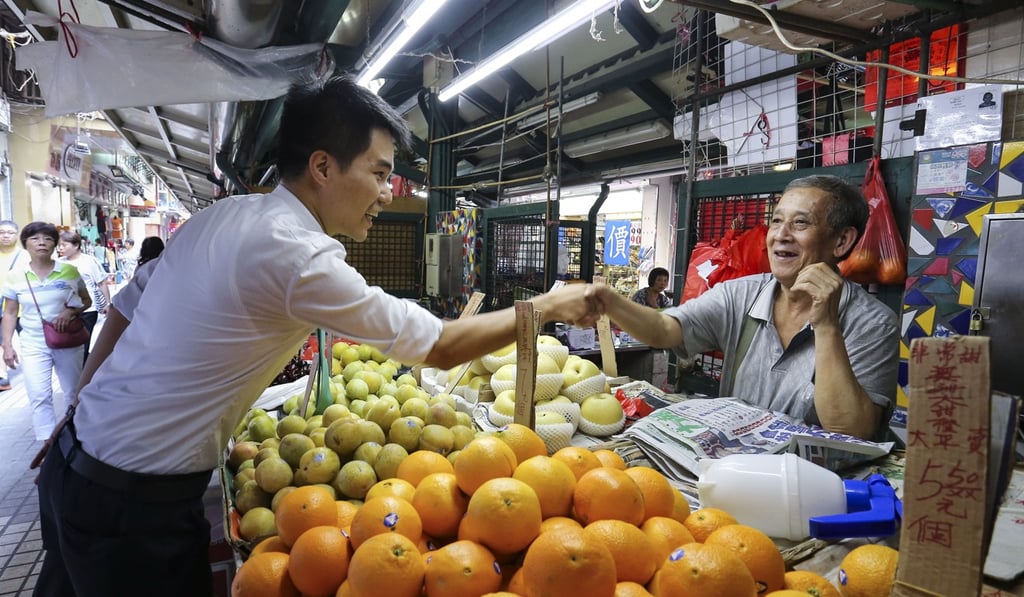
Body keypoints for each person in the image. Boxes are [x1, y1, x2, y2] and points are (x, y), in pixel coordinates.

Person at [33, 74, 599, 595]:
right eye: (379, 174)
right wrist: (546, 306)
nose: (388, 192)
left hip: (72, 468)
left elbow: (124, 311)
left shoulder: (223, 216)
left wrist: (81, 400)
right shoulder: (299, 255)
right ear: (323, 166)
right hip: (131, 508)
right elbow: (441, 344)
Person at [586, 175, 898, 441]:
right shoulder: (740, 294)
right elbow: (665, 330)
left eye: (800, 222)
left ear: (841, 241)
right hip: (735, 474)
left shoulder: (872, 323)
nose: (780, 235)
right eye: (776, 221)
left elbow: (851, 430)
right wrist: (610, 302)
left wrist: (828, 325)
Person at [1, 222, 91, 441]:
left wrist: (70, 312)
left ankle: (75, 439)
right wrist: (7, 346)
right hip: (33, 343)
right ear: (26, 244)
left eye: (48, 239)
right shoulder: (15, 276)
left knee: (72, 392)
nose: (41, 243)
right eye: (35, 239)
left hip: (67, 341)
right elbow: (10, 313)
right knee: (39, 396)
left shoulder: (69, 271)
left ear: (54, 244)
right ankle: (48, 446)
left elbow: (86, 300)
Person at [57, 230, 111, 362]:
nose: (61, 248)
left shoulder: (89, 262)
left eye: (64, 245)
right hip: (64, 310)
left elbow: (102, 283)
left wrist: (108, 304)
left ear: (76, 245)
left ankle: (83, 372)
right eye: (59, 245)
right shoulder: (58, 263)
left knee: (83, 343)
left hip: (87, 309)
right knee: (68, 344)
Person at [0, 220, 26, 390]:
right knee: (2, 341)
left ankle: (35, 370)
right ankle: (2, 375)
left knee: (29, 342)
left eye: (10, 232)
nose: (5, 236)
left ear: (16, 235)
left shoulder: (26, 255)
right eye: (2, 232)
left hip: (23, 307)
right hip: (0, 307)